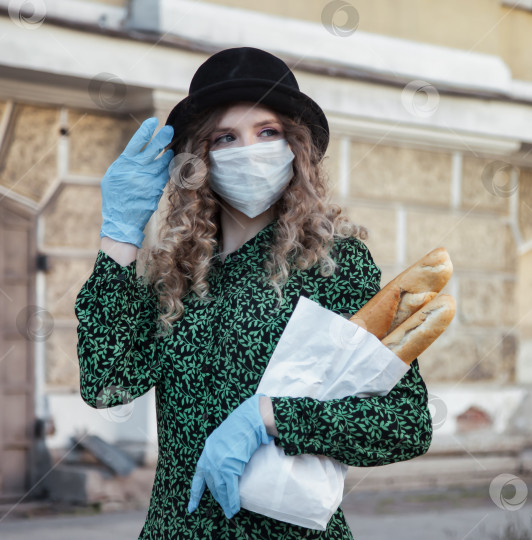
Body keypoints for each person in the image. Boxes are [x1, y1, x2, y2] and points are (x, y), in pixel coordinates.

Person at [74, 47, 433, 539]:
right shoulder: (172, 274)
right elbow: (106, 384)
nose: (249, 150)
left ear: (296, 147)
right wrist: (119, 236)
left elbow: (404, 423)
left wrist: (271, 417)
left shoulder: (333, 265)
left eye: (267, 132)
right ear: (199, 159)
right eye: (226, 138)